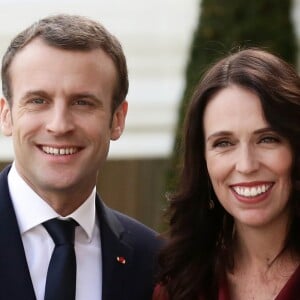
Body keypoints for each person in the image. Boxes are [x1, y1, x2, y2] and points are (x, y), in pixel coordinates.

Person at [0, 14, 162, 300]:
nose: (60, 125)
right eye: (38, 101)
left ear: (117, 120)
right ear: (6, 115)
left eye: (82, 102)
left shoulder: (153, 263)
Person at [153, 48, 300, 300]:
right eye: (224, 143)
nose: (246, 165)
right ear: (203, 161)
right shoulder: (179, 286)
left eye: (267, 139)